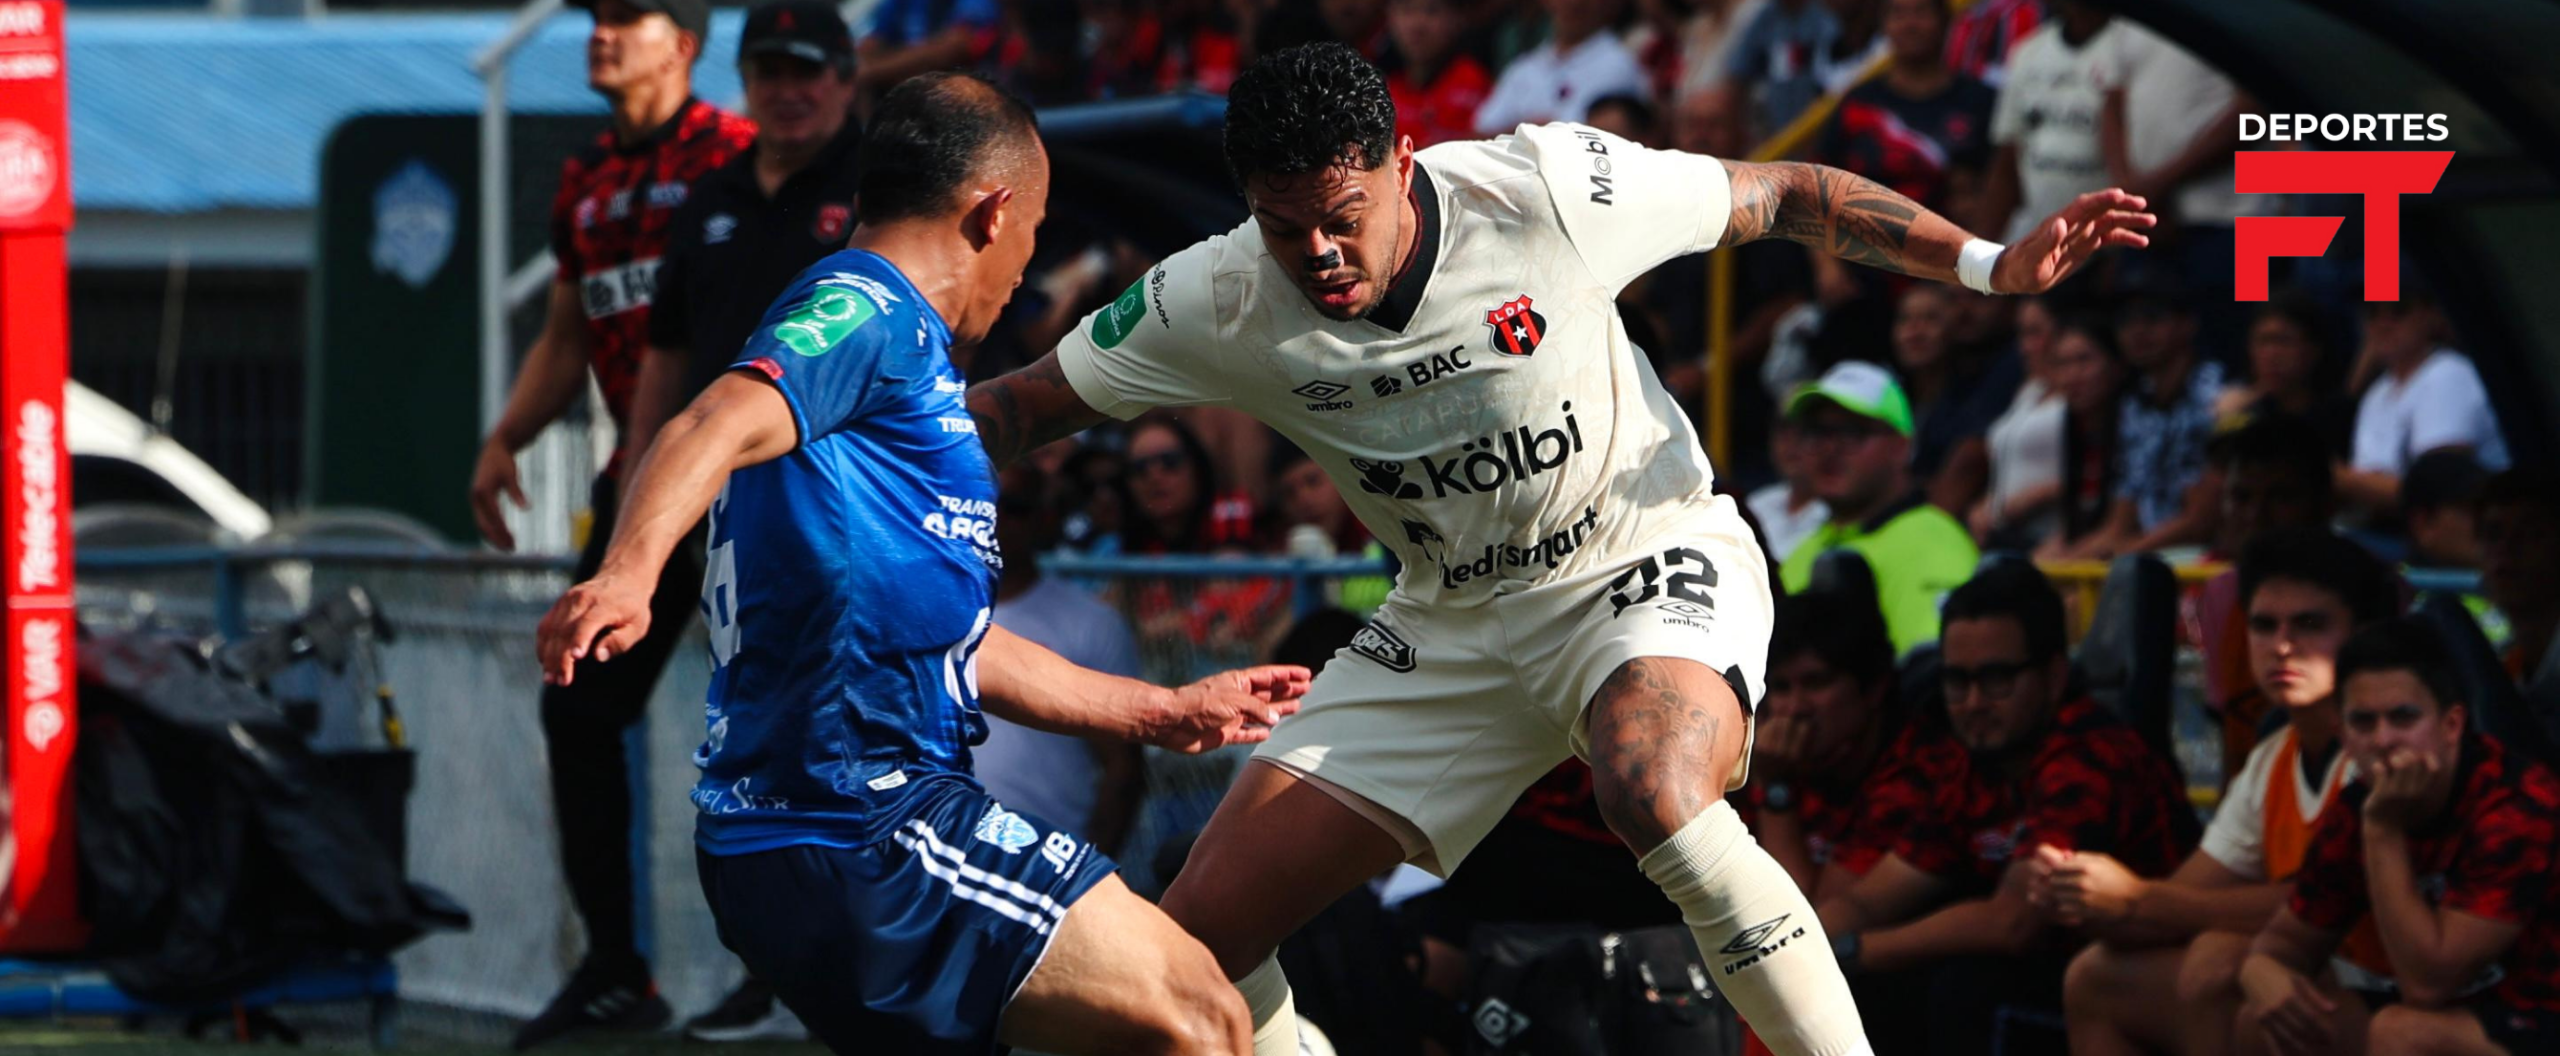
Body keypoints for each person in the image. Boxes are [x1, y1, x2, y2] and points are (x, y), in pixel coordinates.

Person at [965, 41, 2153, 1056]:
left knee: (1651, 784)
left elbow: (1787, 190)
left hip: (1639, 560)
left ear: (1403, 163)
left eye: (1343, 217)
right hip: (1448, 621)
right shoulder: (1212, 296)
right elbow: (1015, 409)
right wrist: (855, 445)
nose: (1319, 252)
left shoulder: (1546, 187)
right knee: (1190, 946)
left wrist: (1989, 263)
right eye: (1286, 230)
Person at [533, 74, 1311, 1056]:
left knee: (1171, 1019)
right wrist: (627, 571)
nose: (1025, 270)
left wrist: (1159, 712)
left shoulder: (900, 371)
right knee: (1197, 1013)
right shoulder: (864, 308)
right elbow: (712, 419)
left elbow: (948, 640)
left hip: (811, 837)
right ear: (994, 213)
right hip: (859, 821)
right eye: (1034, 233)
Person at [463, 0, 754, 1042]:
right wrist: (506, 435)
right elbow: (565, 332)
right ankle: (617, 974)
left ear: (684, 42)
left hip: (746, 485)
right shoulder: (586, 175)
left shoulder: (738, 154)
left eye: (630, 15)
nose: (602, 31)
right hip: (638, 491)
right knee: (578, 708)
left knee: (781, 716)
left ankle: (788, 965)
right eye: (596, 14)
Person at [1814, 562, 2197, 1055]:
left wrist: (1856, 951)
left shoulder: (2091, 757)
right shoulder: (1971, 767)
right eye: (1957, 681)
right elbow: (1870, 901)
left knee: (1964, 990)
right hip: (2051, 984)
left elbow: (2012, 924)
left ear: (2054, 677)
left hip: (2139, 987)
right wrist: (1796, 949)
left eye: (1996, 679)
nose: (1973, 702)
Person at [2046, 528, 2397, 1056]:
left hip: (2393, 994)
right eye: (2264, 625)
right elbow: (2185, 895)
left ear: (2363, 635)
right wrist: (2083, 896)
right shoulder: (2273, 756)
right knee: (2095, 978)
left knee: (2229, 970)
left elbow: (2321, 901)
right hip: (2316, 975)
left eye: (2310, 625)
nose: (2282, 645)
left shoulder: (2384, 745)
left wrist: (2139, 900)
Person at [2220, 621, 2560, 1056]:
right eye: (2363, 722)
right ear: (2344, 736)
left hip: (2542, 1013)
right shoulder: (2357, 805)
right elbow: (2287, 940)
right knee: (2264, 1022)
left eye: (2403, 718)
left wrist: (2383, 830)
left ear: (2451, 725)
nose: (2383, 740)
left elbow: (2428, 986)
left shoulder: (2517, 804)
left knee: (2402, 1033)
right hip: (2461, 1012)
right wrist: (2260, 969)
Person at [636, 0, 867, 480]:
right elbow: (667, 354)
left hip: (841, 481)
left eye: (805, 72)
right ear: (744, 82)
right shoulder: (709, 197)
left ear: (847, 81)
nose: (787, 93)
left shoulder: (883, 188)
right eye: (768, 74)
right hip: (715, 480)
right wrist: (639, 479)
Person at [1777, 360, 1982, 656]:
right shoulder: (1805, 549)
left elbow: (1925, 671)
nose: (1829, 448)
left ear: (1901, 446)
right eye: (1817, 432)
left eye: (1852, 433)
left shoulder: (1931, 541)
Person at [1741, 588, 1922, 900]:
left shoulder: (1918, 771)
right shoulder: (1766, 757)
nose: (1795, 708)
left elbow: (1804, 912)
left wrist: (1775, 789)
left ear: (1874, 689)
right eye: (1781, 688)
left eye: (1816, 683)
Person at [2068, 278, 2230, 558]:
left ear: (2187, 325)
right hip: (2148, 554)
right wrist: (2066, 562)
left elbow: (2200, 521)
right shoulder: (2135, 405)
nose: (2138, 331)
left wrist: (2123, 559)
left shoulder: (2215, 396)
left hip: (2206, 557)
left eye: (2152, 317)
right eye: (2126, 320)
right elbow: (2119, 523)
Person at [2340, 289, 2511, 517]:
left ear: (2431, 315)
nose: (2382, 324)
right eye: (2372, 313)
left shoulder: (2448, 374)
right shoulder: (2378, 393)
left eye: (2399, 310)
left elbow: (2437, 492)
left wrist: (2337, 477)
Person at [1983, 0, 2115, 241]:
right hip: (2038, 235)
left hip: (2108, 239)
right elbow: (2006, 161)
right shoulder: (2029, 51)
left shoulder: (2128, 47)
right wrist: (1980, 247)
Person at [1471, 0, 1649, 134]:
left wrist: (1530, 133)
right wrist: (1529, 130)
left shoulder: (1620, 64)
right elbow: (1478, 135)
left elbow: (1604, 137)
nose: (1574, 3)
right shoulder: (1524, 67)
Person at [1382, 0, 1491, 149]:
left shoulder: (1475, 85)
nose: (1417, 25)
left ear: (1456, 19)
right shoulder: (1382, 89)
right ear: (1389, 17)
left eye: (1432, 10)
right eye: (1407, 10)